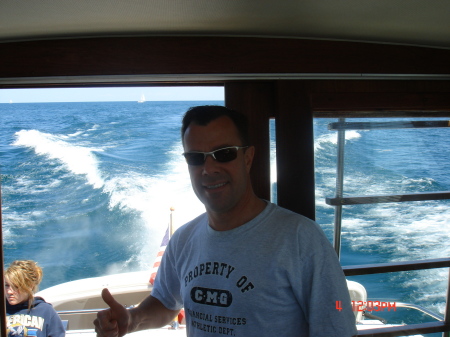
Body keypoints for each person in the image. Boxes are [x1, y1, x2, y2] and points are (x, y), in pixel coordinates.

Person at [94, 105, 357, 337]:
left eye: (224, 153)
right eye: (196, 158)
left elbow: (335, 324)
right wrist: (131, 320)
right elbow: (165, 304)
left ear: (248, 157)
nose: (209, 169)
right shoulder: (183, 240)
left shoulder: (301, 238)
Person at [5, 260, 66, 337]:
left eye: (16, 287)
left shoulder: (46, 311)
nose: (9, 292)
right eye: (7, 285)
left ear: (30, 286)